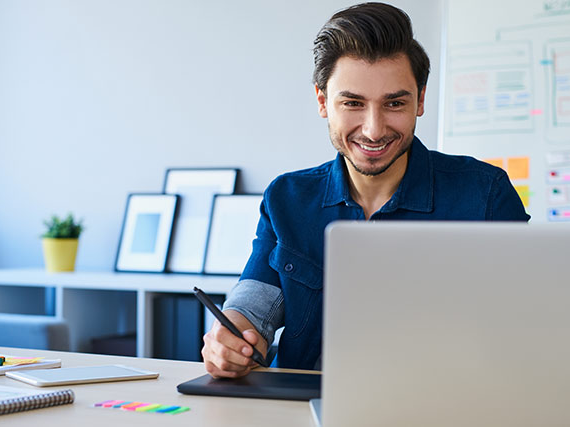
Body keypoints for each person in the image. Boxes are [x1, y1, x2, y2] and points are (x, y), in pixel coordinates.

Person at [201, 2, 530, 378]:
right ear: (323, 102)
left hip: (445, 398)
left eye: (394, 103)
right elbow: (253, 303)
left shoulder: (486, 195)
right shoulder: (288, 198)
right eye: (353, 103)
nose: (374, 130)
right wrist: (230, 339)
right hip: (305, 399)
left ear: (420, 100)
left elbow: (527, 321)